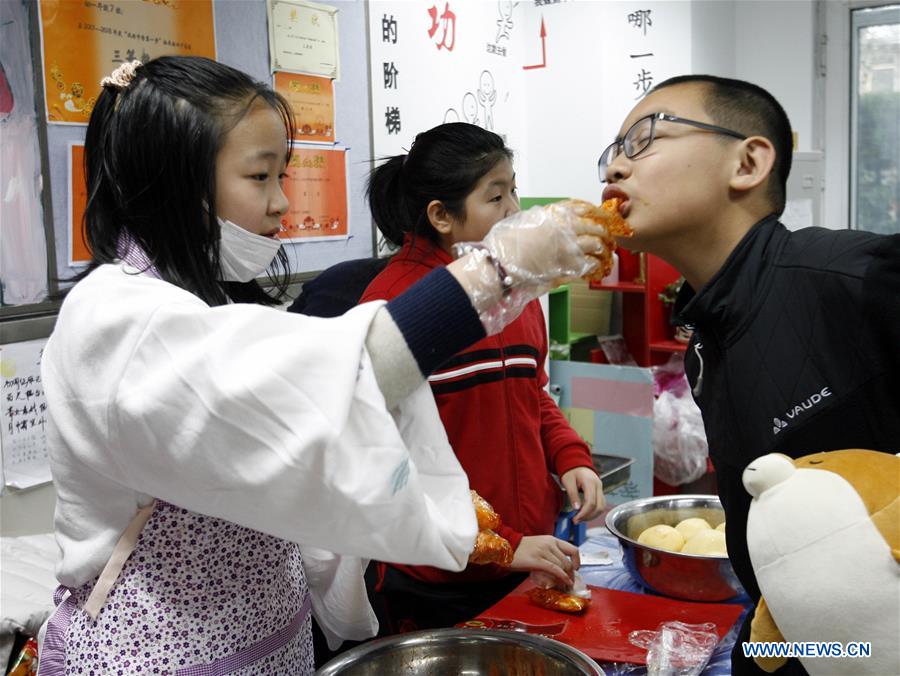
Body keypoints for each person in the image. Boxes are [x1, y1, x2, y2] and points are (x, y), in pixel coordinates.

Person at [37, 57, 609, 674]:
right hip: (161, 654)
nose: (283, 203)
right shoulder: (117, 317)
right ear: (173, 183)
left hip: (267, 636)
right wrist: (496, 274)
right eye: (260, 177)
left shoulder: (209, 298)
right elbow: (331, 390)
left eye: (282, 175)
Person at [600, 74, 900, 675]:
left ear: (748, 161)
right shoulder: (707, 341)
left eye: (644, 138)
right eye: (612, 153)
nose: (615, 170)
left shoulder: (852, 279)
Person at [358, 122, 605, 635]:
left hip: (524, 558)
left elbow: (532, 393)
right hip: (437, 577)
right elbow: (384, 461)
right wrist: (502, 545)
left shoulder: (516, 291)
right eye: (496, 196)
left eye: (514, 188)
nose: (515, 209)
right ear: (441, 216)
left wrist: (570, 457)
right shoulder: (396, 307)